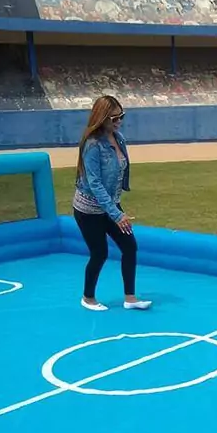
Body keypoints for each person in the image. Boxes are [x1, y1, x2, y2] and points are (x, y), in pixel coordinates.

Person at [72, 95, 151, 311]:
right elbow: (95, 183)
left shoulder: (119, 138)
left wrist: (116, 205)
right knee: (99, 253)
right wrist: (116, 214)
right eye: (114, 118)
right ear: (102, 118)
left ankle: (130, 298)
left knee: (129, 246)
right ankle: (88, 297)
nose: (119, 121)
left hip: (110, 204)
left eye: (121, 116)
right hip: (89, 209)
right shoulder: (92, 145)